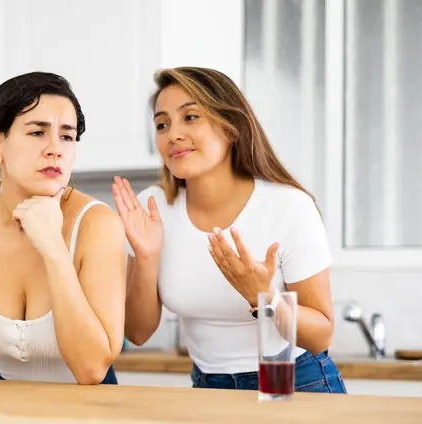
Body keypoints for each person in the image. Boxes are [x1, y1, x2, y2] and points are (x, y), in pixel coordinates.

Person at [113, 66, 346, 393]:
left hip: (290, 378)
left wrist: (263, 298)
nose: (173, 134)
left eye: (190, 117)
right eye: (162, 124)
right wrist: (147, 255)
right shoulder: (153, 208)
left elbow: (320, 335)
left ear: (232, 128)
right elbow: (137, 333)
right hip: (209, 387)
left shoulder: (288, 207)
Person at [0, 71, 126, 385]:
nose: (55, 148)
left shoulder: (98, 225)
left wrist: (54, 249)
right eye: (37, 133)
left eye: (67, 136)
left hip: (87, 413)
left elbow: (91, 370)